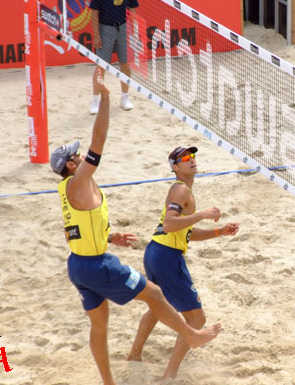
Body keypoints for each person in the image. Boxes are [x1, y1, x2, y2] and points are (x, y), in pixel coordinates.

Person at [51, 74, 221, 385]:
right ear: (71, 166)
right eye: (75, 156)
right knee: (155, 294)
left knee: (100, 327)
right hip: (98, 265)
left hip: (78, 265)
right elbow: (98, 140)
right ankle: (192, 336)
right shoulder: (78, 182)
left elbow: (74, 230)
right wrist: (104, 99)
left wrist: (108, 236)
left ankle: (109, 382)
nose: (80, 156)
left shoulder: (67, 190)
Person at [128, 146, 239, 379]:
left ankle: (134, 355)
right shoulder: (180, 190)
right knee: (197, 318)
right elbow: (170, 224)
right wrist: (203, 214)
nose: (192, 160)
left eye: (193, 156)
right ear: (175, 167)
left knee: (158, 307)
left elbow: (184, 231)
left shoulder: (184, 190)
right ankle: (170, 375)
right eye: (185, 158)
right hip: (166, 256)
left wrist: (219, 231)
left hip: (156, 251)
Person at [89, 0, 137, 115]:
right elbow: (94, 12)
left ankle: (125, 97)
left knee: (125, 64)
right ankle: (95, 99)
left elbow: (133, 11)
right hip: (105, 28)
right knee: (101, 66)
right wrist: (96, 35)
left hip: (122, 28)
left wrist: (133, 31)